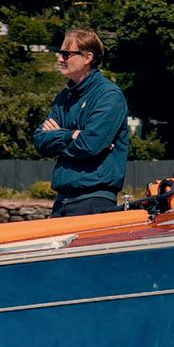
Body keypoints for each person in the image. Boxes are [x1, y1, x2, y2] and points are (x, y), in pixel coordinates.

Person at [33, 27, 128, 217]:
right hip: (62, 201)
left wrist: (59, 135)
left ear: (87, 57)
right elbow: (40, 140)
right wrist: (72, 135)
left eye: (66, 54)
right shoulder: (64, 97)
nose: (60, 59)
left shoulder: (109, 96)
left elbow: (90, 144)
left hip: (93, 201)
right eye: (60, 53)